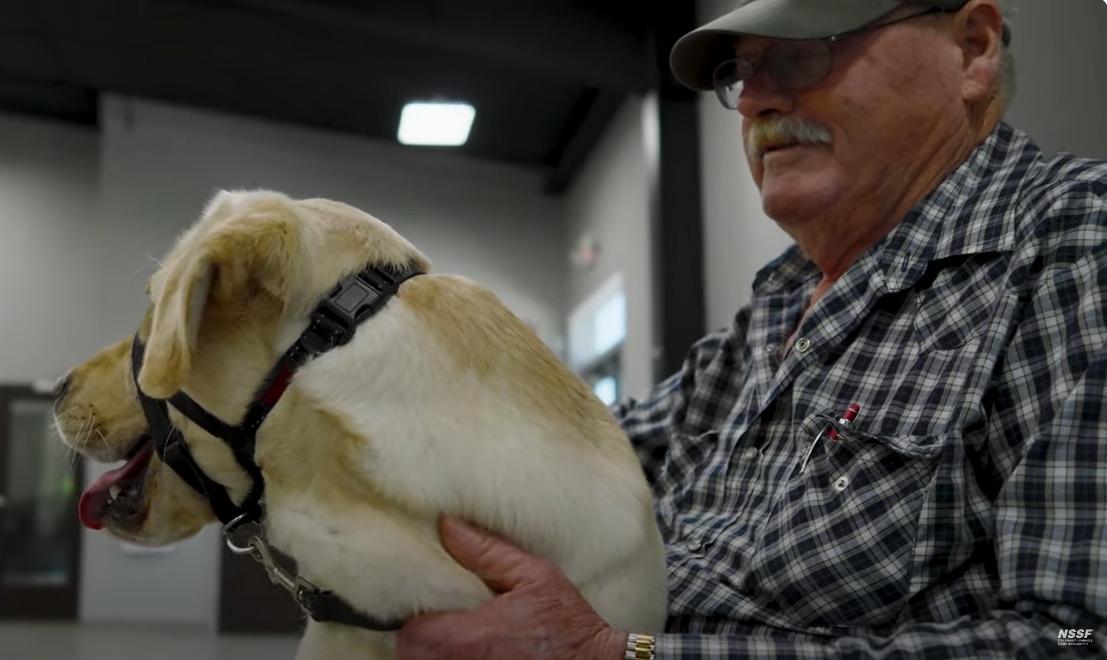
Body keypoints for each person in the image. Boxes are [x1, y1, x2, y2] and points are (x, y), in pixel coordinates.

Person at [395, 0, 1107, 657]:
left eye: (806, 53)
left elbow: (1078, 635)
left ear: (972, 50)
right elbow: (594, 451)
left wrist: (617, 654)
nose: (758, 101)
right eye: (742, 72)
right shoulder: (780, 298)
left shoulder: (1073, 242)